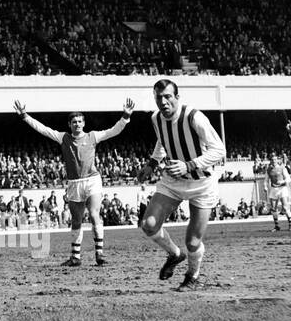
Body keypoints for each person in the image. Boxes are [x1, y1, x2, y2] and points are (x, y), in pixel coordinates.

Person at [13, 98, 135, 267]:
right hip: (74, 183)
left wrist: (126, 116)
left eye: (79, 121)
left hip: (92, 180)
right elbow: (43, 129)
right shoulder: (63, 138)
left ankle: (99, 254)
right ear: (69, 125)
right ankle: (75, 257)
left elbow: (113, 131)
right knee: (76, 220)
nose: (77, 124)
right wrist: (25, 116)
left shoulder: (93, 136)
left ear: (84, 123)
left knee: (94, 215)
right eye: (74, 122)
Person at [136, 80, 225, 291]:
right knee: (148, 224)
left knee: (193, 242)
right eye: (159, 97)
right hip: (174, 181)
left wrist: (189, 165)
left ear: (177, 97)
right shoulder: (156, 118)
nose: (163, 102)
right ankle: (175, 254)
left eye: (168, 96)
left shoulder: (194, 117)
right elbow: (162, 140)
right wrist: (152, 164)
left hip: (201, 183)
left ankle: (193, 276)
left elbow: (219, 150)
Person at [263, 153, 291, 233]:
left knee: (285, 207)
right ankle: (277, 226)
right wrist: (265, 186)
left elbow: (288, 179)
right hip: (274, 189)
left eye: (275, 159)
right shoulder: (268, 170)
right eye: (272, 159)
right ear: (270, 160)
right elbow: (266, 180)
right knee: (273, 208)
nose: (274, 161)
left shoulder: (282, 168)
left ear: (277, 160)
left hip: (282, 189)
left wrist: (282, 181)